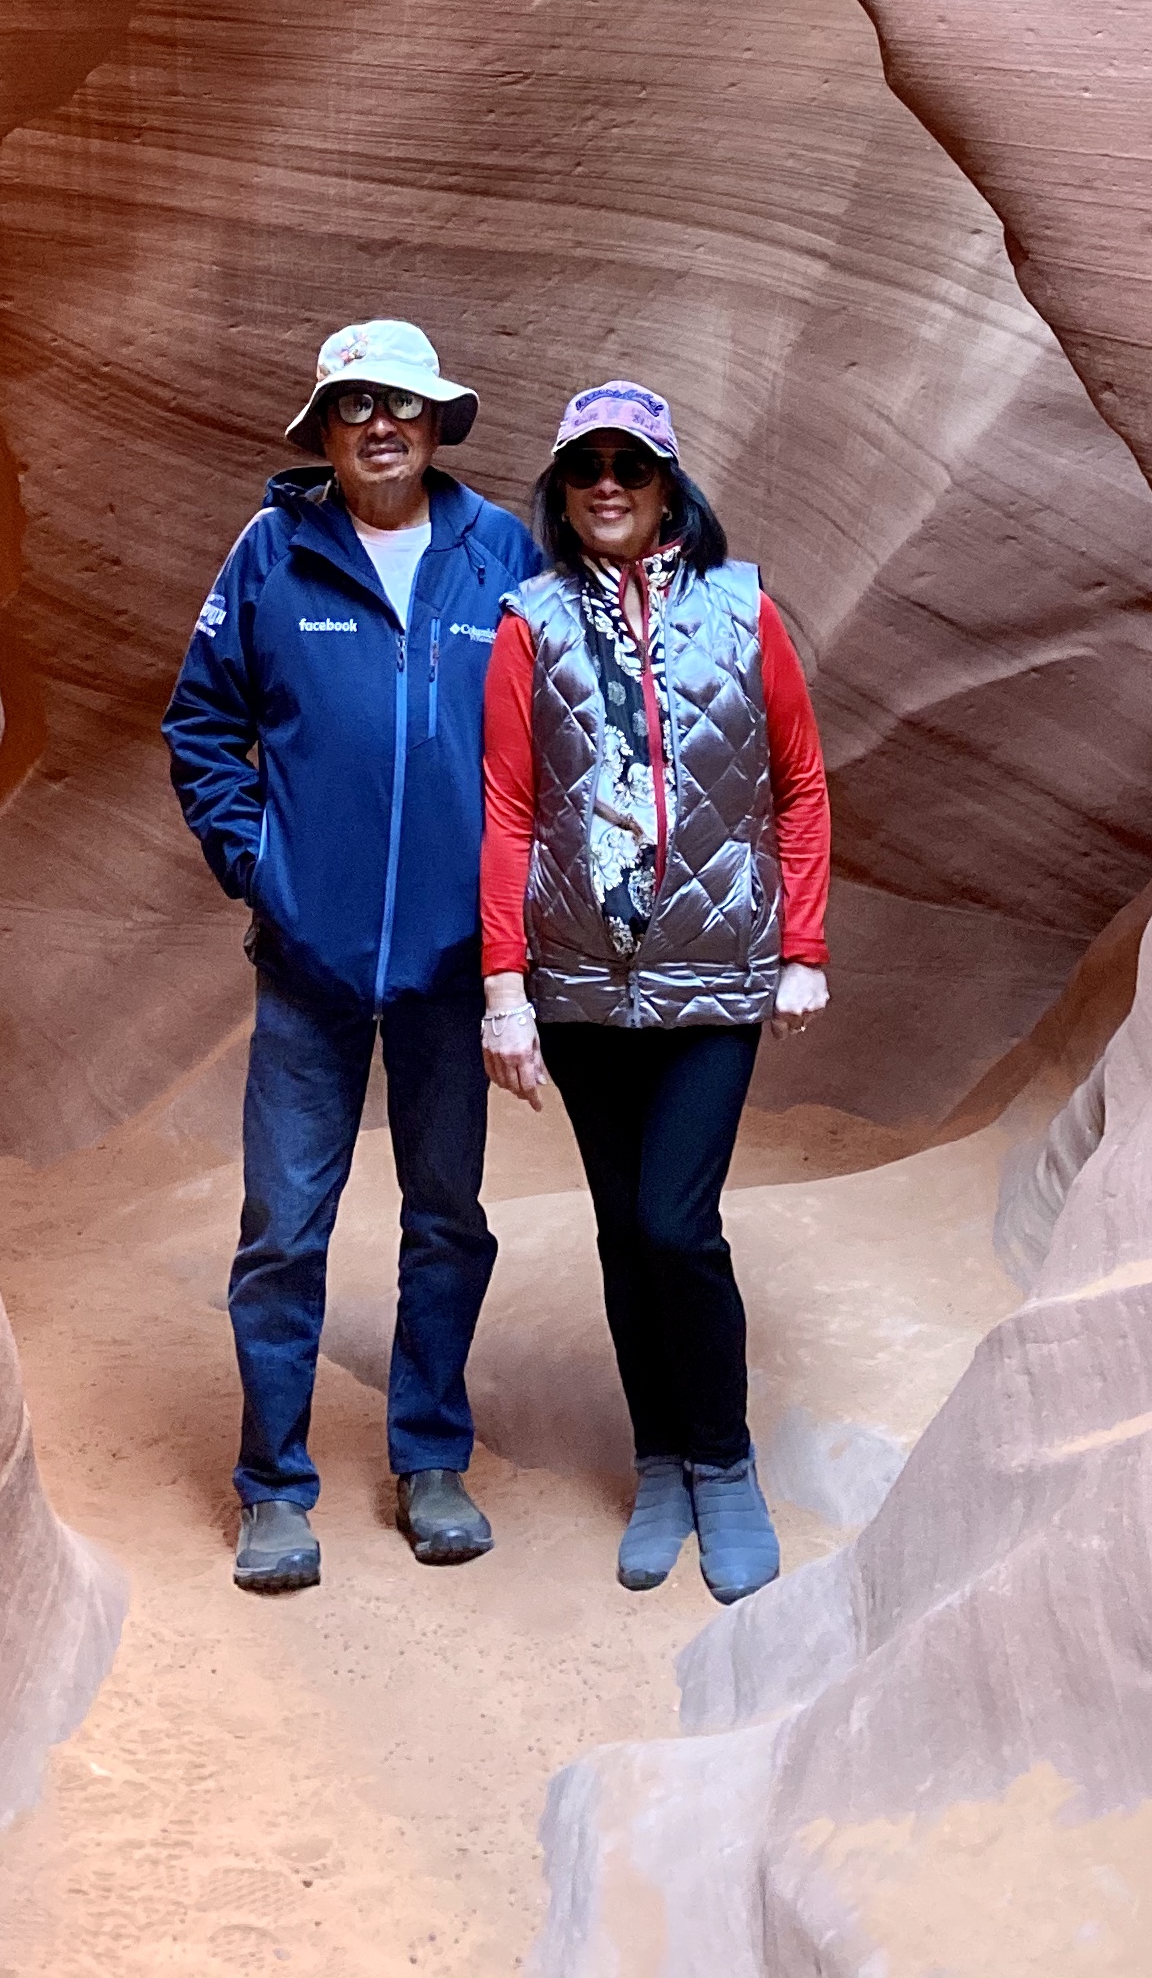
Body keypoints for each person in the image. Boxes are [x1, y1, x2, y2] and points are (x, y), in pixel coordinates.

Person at [164, 315, 546, 1595]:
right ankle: (275, 1487)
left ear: (437, 422)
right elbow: (204, 723)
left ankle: (431, 1461)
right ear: (324, 431)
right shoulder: (272, 553)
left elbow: (554, 741)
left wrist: (516, 924)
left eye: (404, 403)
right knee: (284, 1225)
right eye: (355, 406)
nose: (381, 424)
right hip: (311, 963)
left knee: (446, 1219)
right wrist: (258, 863)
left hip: (453, 965)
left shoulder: (499, 553)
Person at [478, 380, 831, 1602]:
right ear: (563, 494)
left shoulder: (746, 610)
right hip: (581, 986)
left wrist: (803, 948)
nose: (610, 484)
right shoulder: (531, 622)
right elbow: (512, 810)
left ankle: (725, 1463)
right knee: (625, 1233)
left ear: (669, 481)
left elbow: (800, 782)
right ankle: (661, 1465)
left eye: (632, 464)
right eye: (588, 469)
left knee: (679, 1226)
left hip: (717, 975)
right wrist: (504, 989)